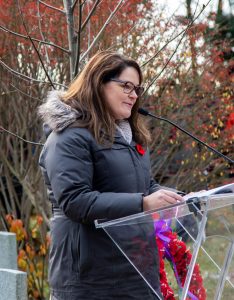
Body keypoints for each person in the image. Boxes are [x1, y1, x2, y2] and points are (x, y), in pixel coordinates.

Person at [38, 51, 183, 300]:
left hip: (135, 274)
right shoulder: (69, 137)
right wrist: (143, 203)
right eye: (126, 86)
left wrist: (178, 198)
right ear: (98, 82)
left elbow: (144, 186)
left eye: (137, 88)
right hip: (90, 281)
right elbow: (75, 201)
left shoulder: (131, 137)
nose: (134, 95)